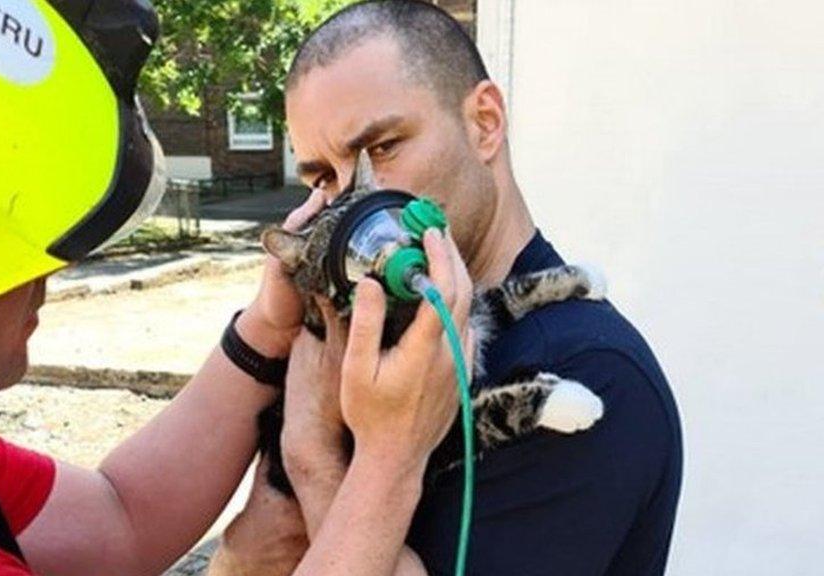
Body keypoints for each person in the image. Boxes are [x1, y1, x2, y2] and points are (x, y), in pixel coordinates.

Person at [0, 2, 472, 575]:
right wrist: (389, 460)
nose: (50, 276)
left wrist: (267, 326)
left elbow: (121, 516)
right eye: (23, 251)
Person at [215, 1, 684, 575]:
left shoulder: (588, 370)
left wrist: (315, 460)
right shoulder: (354, 334)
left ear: (484, 123)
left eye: (382, 148)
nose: (354, 204)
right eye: (322, 178)